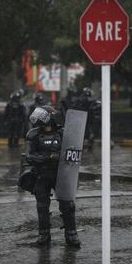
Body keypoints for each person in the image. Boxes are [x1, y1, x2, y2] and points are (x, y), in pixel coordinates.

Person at [26, 106, 81, 248]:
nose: (39, 118)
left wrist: (61, 158)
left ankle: (71, 234)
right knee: (42, 206)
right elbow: (29, 156)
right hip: (42, 174)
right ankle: (44, 234)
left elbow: (73, 152)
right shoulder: (33, 135)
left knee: (67, 205)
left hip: (60, 174)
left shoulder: (63, 133)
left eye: (42, 115)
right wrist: (47, 157)